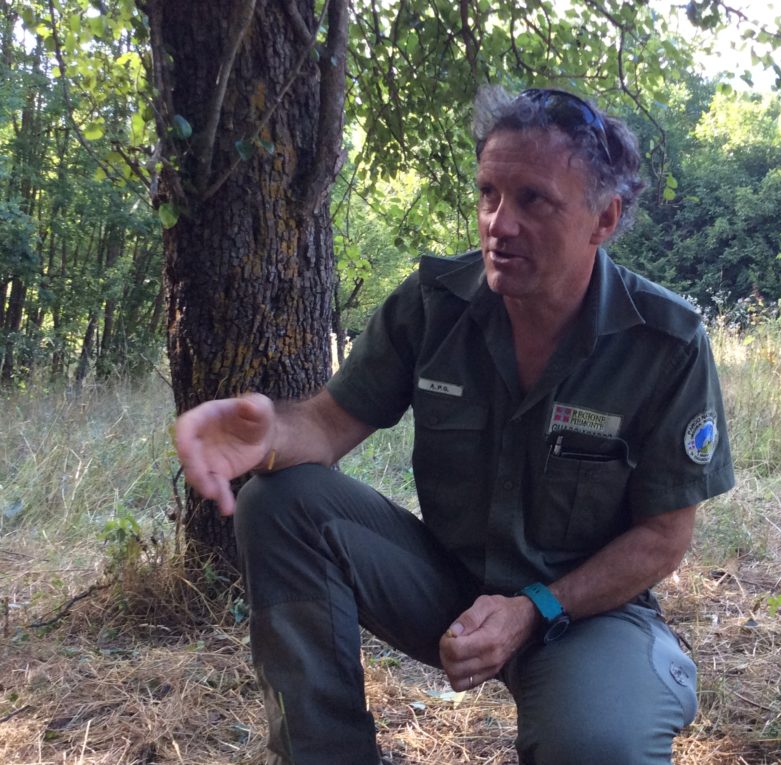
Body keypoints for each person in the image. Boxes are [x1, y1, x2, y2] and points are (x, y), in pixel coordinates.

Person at [175, 85, 735, 765]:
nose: (500, 223)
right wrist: (269, 438)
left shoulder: (664, 342)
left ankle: (620, 688)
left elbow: (662, 539)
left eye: (534, 200)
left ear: (604, 218)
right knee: (280, 497)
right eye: (489, 195)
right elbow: (324, 425)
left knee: (599, 747)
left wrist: (534, 607)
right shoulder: (434, 306)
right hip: (448, 586)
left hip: (586, 614)